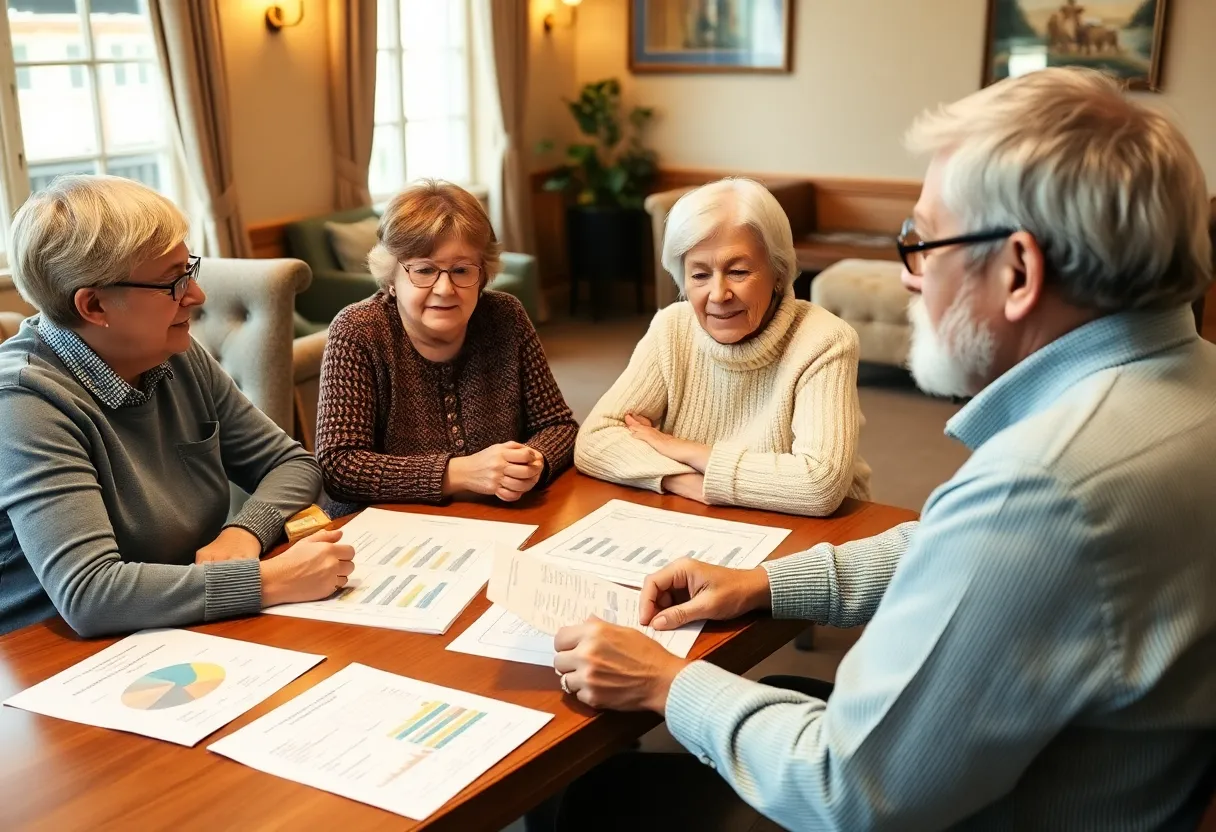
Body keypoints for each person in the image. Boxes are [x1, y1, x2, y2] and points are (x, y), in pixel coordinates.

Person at [546, 68, 1216, 830]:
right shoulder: (1189, 389)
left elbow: (843, 790)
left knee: (596, 803)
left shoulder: (1043, 486)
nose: (908, 277)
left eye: (922, 242)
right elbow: (953, 548)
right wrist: (764, 584)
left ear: (1020, 271)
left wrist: (667, 686)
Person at [0, 176, 355, 638]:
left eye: (189, 269)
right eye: (173, 282)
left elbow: (290, 463)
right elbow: (91, 596)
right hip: (52, 663)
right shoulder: (24, 402)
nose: (197, 295)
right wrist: (272, 580)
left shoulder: (176, 351)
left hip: (176, 624)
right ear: (93, 305)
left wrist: (243, 532)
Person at [574, 178, 871, 517]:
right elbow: (594, 440)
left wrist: (683, 449)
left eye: (739, 271)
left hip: (814, 530)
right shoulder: (672, 328)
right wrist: (682, 480)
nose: (718, 294)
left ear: (777, 272)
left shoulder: (824, 340)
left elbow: (819, 485)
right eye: (699, 275)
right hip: (704, 519)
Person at [315, 180, 577, 514]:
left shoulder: (506, 316)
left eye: (461, 270)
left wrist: (533, 463)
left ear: (482, 275)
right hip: (380, 531)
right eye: (424, 270)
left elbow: (558, 426)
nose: (445, 288)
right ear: (390, 277)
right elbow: (340, 466)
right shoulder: (358, 331)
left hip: (492, 520)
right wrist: (459, 473)